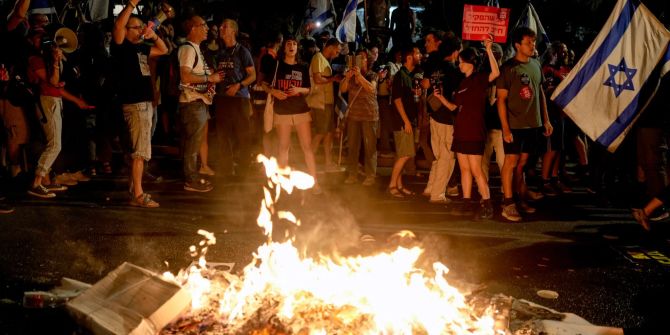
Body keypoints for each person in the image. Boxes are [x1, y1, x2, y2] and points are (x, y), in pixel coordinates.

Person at [434, 36, 500, 219]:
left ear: (470, 62)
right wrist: (441, 98)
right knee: (464, 169)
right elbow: (455, 107)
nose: (459, 65)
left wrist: (488, 49)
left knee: (476, 169)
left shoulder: (480, 79)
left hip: (474, 132)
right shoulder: (462, 83)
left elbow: (495, 73)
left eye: (461, 62)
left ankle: (487, 203)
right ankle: (467, 202)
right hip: (461, 132)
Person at [112, 0, 168, 207]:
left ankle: (132, 189)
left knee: (139, 151)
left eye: (140, 27)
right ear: (127, 30)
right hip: (135, 104)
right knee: (140, 153)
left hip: (144, 105)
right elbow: (118, 27)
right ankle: (138, 194)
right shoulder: (121, 47)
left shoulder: (142, 49)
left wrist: (153, 35)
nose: (139, 31)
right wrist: (130, 5)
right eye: (135, 27)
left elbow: (163, 50)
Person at [27, 30, 92, 198]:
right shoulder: (35, 59)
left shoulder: (47, 58)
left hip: (54, 101)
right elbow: (53, 82)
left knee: (55, 142)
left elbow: (58, 84)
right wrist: (56, 62)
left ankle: (46, 181)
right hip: (47, 102)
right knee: (54, 145)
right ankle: (37, 182)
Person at [496, 27, 553, 221]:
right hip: (514, 126)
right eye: (528, 43)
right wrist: (505, 128)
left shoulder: (536, 65)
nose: (532, 46)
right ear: (518, 45)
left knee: (522, 163)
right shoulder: (508, 68)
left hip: (532, 125)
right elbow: (501, 100)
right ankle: (508, 203)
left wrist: (545, 119)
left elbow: (540, 93)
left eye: (533, 42)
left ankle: (520, 198)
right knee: (510, 162)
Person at [262, 36, 319, 193]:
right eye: (288, 44)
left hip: (301, 110)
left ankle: (315, 182)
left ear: (297, 48)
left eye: (294, 44)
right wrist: (274, 91)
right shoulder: (277, 65)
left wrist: (299, 90)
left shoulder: (302, 67)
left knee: (307, 147)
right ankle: (282, 183)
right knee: (283, 147)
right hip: (283, 111)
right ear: (284, 48)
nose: (292, 46)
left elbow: (308, 88)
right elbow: (264, 84)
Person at [178, 15, 223, 192]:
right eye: (203, 25)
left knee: (194, 142)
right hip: (192, 103)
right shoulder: (188, 49)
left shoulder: (196, 49)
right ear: (193, 29)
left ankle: (192, 175)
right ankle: (190, 179)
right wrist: (209, 77)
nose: (207, 28)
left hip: (198, 103)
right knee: (192, 143)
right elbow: (185, 76)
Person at [213, 18, 256, 176]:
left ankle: (244, 168)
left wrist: (239, 85)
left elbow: (253, 75)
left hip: (239, 99)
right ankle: (226, 167)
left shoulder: (242, 51)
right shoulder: (220, 53)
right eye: (221, 26)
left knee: (242, 135)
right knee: (223, 135)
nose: (221, 28)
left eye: (225, 26)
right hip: (222, 99)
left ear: (233, 31)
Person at [341, 48, 379, 186]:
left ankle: (370, 175)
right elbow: (343, 89)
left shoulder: (372, 75)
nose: (360, 60)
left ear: (367, 61)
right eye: (357, 58)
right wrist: (347, 77)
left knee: (370, 147)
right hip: (354, 116)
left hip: (369, 116)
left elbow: (371, 88)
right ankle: (352, 174)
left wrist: (359, 76)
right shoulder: (350, 76)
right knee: (352, 146)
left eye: (362, 58)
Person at [387, 46, 422, 198]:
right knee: (406, 154)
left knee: (401, 154)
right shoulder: (400, 75)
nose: (419, 55)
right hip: (402, 122)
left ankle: (399, 184)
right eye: (417, 53)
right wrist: (406, 121)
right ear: (409, 57)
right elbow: (397, 100)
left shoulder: (410, 75)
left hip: (408, 120)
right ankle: (392, 185)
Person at [308, 38, 343, 172]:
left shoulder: (326, 61)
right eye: (337, 50)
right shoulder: (318, 57)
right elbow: (317, 79)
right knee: (320, 132)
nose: (338, 53)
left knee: (328, 133)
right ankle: (309, 160)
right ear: (330, 47)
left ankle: (328, 163)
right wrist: (333, 79)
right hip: (320, 102)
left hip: (328, 103)